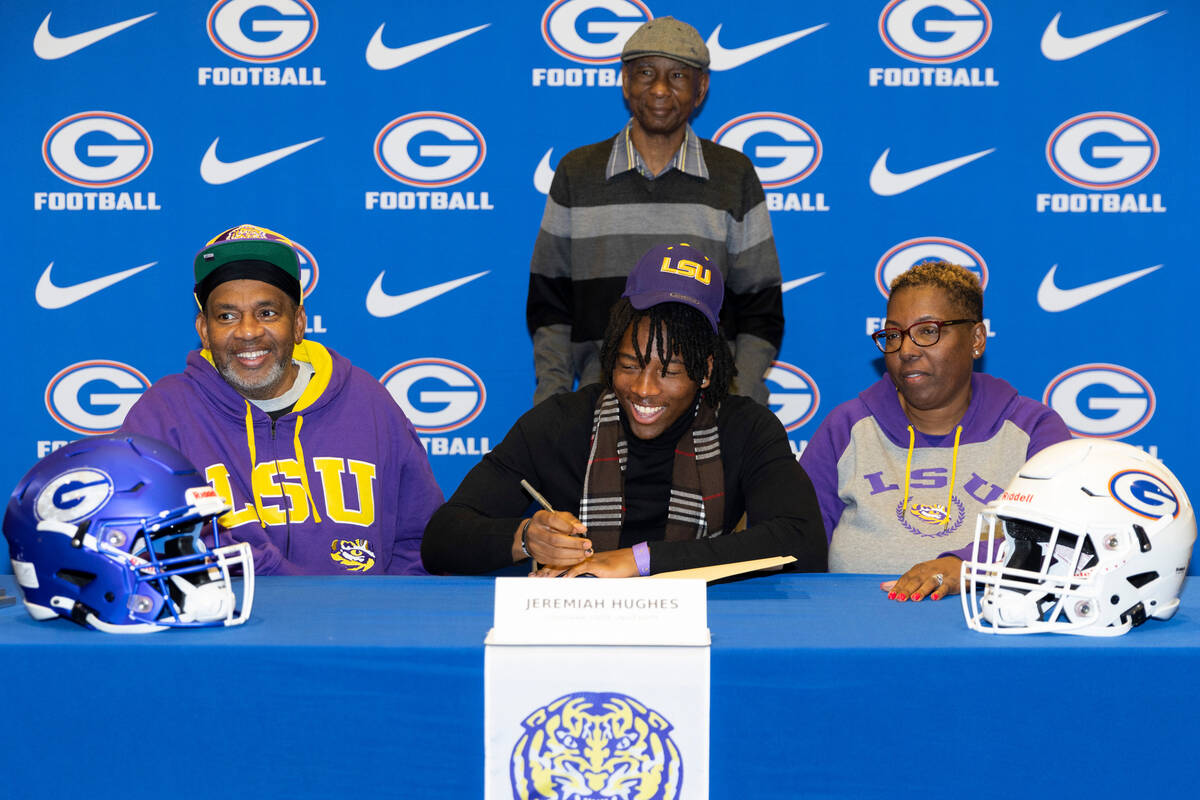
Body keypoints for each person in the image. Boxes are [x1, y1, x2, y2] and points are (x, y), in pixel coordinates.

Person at [424, 243, 826, 577]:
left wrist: (638, 561)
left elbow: (801, 543)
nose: (644, 389)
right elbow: (441, 539)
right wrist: (525, 536)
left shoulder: (746, 428)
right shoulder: (561, 422)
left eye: (669, 371)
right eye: (629, 365)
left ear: (705, 372)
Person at [120, 223, 442, 575]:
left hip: (356, 623)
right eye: (227, 316)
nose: (247, 331)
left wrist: (382, 620)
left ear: (299, 323)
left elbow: (419, 543)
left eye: (267, 313)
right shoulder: (162, 414)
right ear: (204, 331)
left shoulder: (369, 404)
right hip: (225, 622)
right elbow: (141, 540)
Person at [527, 16, 783, 406]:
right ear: (625, 82)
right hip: (600, 406)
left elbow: (760, 305)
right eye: (646, 72)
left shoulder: (734, 176)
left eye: (678, 75)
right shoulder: (577, 173)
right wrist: (553, 403)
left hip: (706, 413)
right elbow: (549, 304)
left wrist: (735, 398)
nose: (660, 89)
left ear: (701, 89)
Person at [799, 261, 1071, 600]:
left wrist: (967, 566)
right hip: (856, 635)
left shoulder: (1034, 430)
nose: (907, 350)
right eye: (894, 335)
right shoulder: (846, 428)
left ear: (976, 339)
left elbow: (1063, 541)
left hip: (988, 636)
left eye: (928, 331)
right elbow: (795, 545)